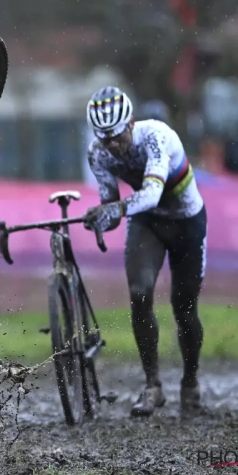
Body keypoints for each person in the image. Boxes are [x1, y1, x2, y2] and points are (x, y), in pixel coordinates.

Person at [82, 86, 207, 417]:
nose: (112, 145)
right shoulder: (98, 153)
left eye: (117, 135)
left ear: (131, 123)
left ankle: (190, 385)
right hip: (147, 224)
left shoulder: (156, 136)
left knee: (185, 310)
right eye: (104, 138)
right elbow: (111, 207)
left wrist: (116, 210)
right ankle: (153, 386)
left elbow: (150, 194)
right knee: (139, 293)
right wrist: (98, 218)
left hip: (186, 221)